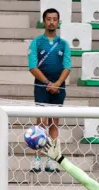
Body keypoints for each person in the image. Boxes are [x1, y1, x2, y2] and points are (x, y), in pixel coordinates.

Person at [28, 7, 71, 172]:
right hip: (41, 86)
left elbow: (67, 66)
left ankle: (52, 160)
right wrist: (47, 83)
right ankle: (37, 159)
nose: (52, 22)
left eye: (54, 19)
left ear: (58, 21)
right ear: (44, 21)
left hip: (59, 87)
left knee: (54, 122)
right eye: (49, 19)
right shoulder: (37, 42)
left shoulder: (64, 44)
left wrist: (58, 83)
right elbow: (32, 66)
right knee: (41, 123)